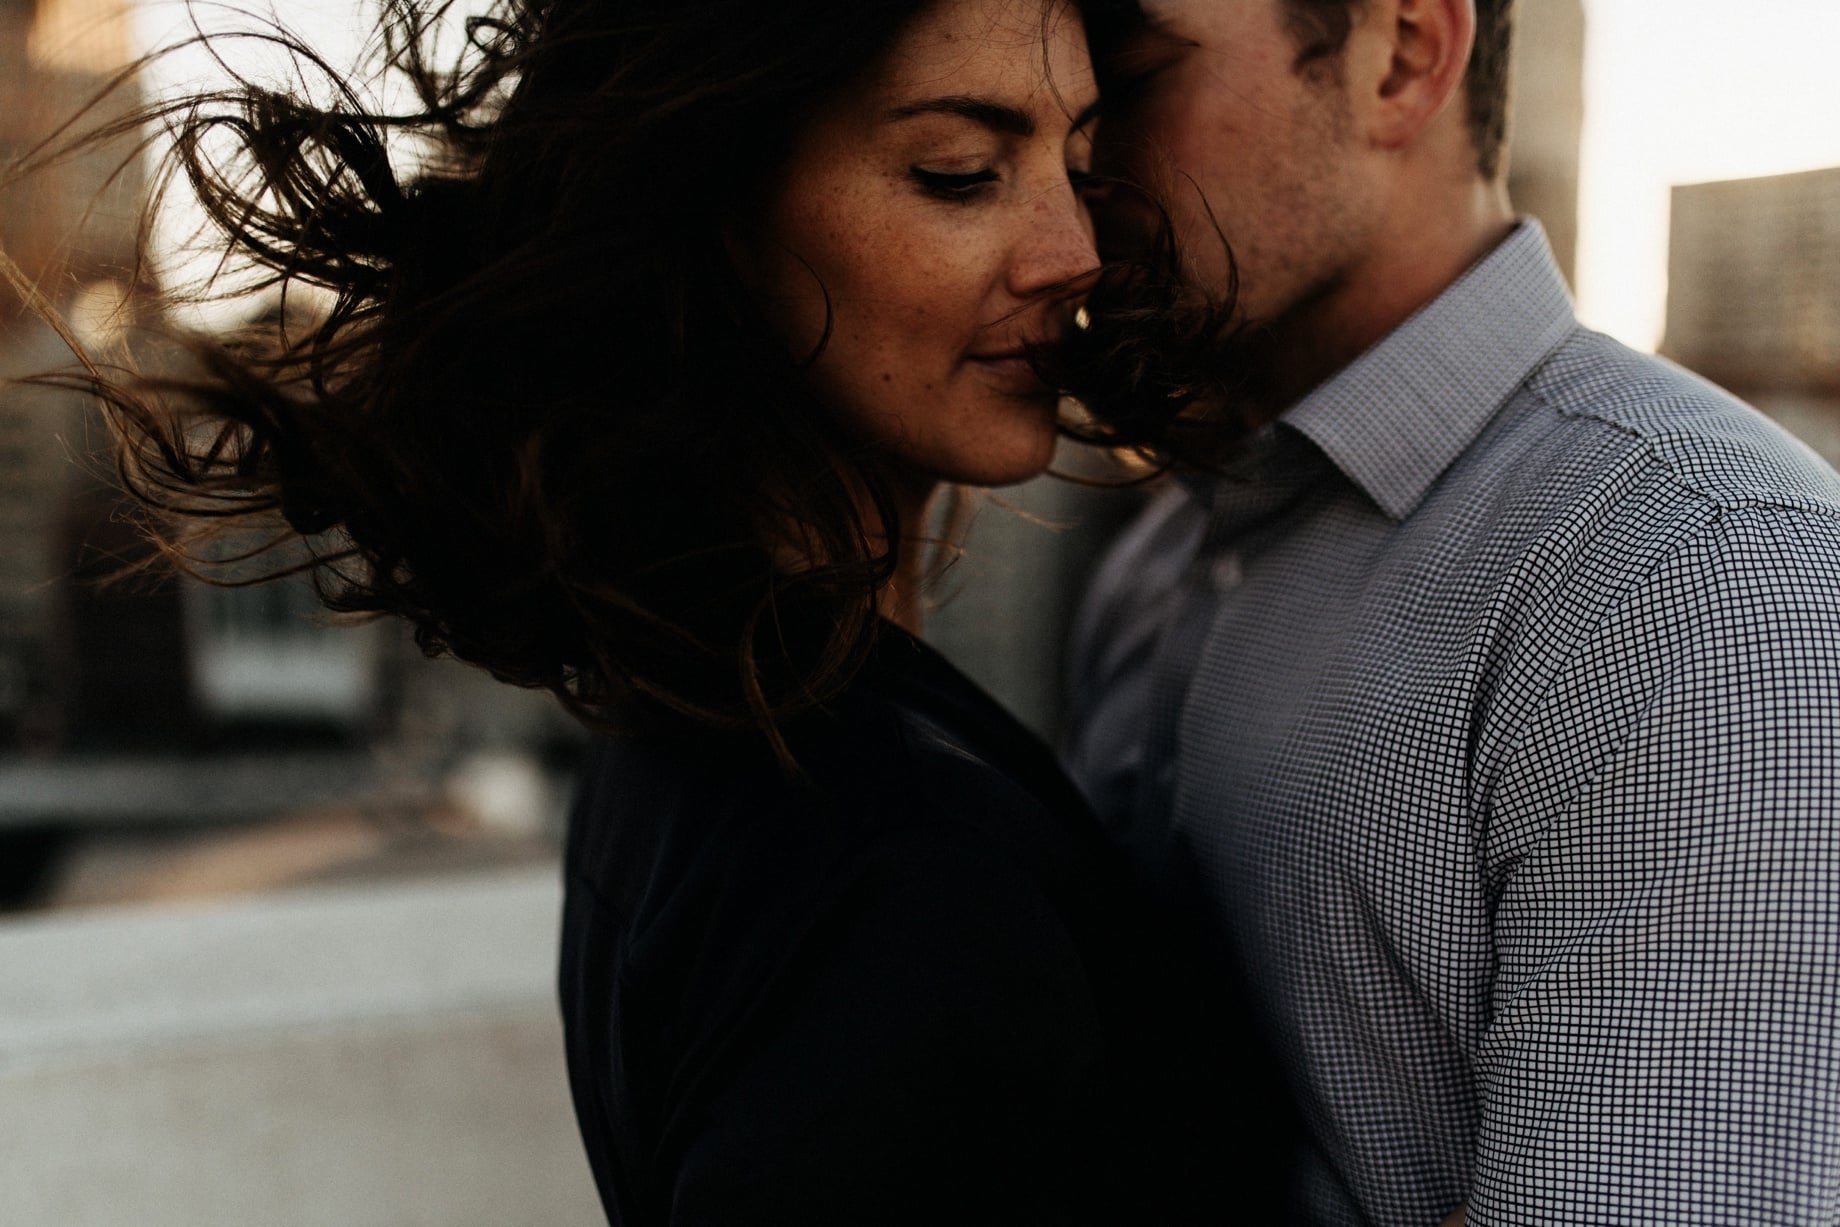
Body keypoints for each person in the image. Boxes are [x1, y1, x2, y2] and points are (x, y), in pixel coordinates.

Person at [53, 0, 1288, 1221]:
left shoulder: (690, 726)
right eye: (957, 173)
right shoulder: (887, 865)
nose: (1073, 246)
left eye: (1079, 164)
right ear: (718, 221)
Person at [1064, 0, 1840, 1223]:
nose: (1073, 161)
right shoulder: (1165, 546)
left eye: (1130, 74)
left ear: (1401, 55)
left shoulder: (1699, 584)